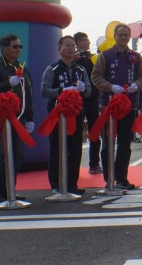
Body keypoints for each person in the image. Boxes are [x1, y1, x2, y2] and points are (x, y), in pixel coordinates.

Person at [91, 23, 142, 190]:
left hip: (129, 106)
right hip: (108, 106)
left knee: (125, 143)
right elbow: (96, 76)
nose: (123, 38)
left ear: (129, 37)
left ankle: (122, 177)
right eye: (120, 35)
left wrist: (137, 85)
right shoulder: (105, 55)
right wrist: (110, 87)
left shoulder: (136, 57)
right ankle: (109, 178)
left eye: (126, 35)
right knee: (108, 142)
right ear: (114, 37)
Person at [0, 33, 34, 203]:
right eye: (14, 46)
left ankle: (10, 191)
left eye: (20, 46)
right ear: (3, 48)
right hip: (1, 119)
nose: (18, 50)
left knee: (17, 156)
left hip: (19, 119)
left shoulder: (22, 68)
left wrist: (30, 117)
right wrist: (7, 83)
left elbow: (28, 93)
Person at [41, 35, 91, 194]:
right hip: (58, 116)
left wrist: (83, 89)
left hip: (76, 115)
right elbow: (44, 91)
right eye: (67, 45)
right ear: (59, 49)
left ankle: (72, 184)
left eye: (73, 46)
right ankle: (56, 184)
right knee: (57, 149)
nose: (70, 48)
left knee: (76, 149)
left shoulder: (80, 69)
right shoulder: (52, 69)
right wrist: (61, 91)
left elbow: (89, 92)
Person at [73, 31, 102, 175]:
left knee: (95, 130)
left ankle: (94, 163)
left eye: (88, 41)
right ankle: (74, 165)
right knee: (76, 132)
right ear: (78, 42)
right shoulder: (73, 58)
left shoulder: (93, 58)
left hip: (93, 98)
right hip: (78, 100)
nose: (88, 43)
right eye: (85, 40)